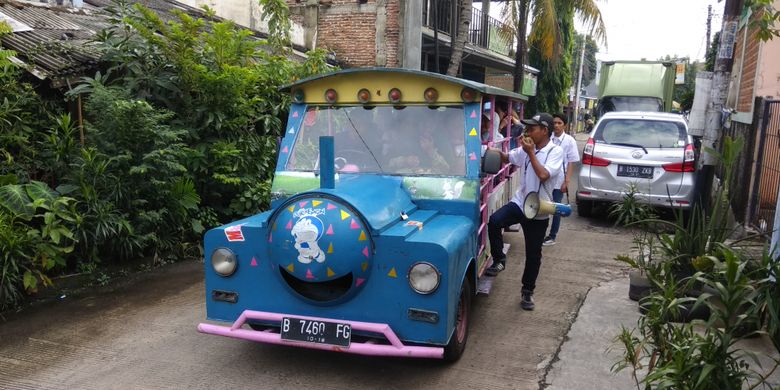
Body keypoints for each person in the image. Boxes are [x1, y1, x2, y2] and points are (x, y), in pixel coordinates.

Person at [484, 112, 563, 311]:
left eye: (532, 128)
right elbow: (507, 157)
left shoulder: (554, 151)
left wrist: (529, 153)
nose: (527, 131)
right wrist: (490, 150)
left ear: (544, 131)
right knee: (494, 221)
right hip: (521, 202)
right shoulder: (528, 148)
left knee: (533, 254)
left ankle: (527, 292)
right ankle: (500, 259)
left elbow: (544, 175)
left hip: (539, 208)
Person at [542, 114, 580, 246]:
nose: (556, 125)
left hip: (559, 181)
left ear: (564, 125)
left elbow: (570, 162)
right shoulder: (547, 139)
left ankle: (552, 236)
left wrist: (567, 181)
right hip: (546, 179)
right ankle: (541, 233)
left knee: (556, 208)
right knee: (543, 206)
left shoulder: (569, 141)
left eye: (559, 123)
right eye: (554, 123)